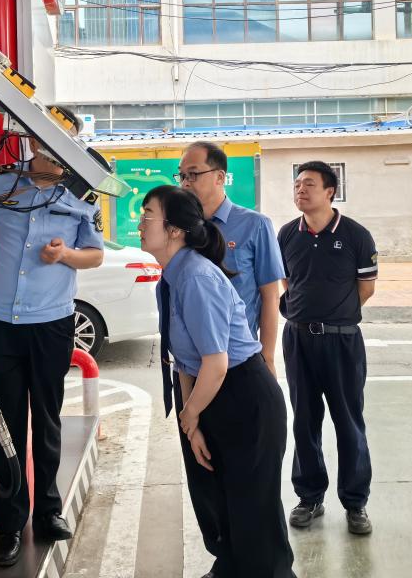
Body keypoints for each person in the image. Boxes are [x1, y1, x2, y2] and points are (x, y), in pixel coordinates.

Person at [139, 185, 296, 578]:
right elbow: (185, 361)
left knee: (253, 513)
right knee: (218, 500)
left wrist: (191, 414)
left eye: (147, 215)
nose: (139, 223)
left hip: (243, 397)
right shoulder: (170, 278)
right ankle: (229, 567)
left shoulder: (196, 276)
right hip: (210, 395)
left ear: (174, 229)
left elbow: (216, 362)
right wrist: (192, 425)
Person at [0, 106, 104, 567]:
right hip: (1, 323)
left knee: (48, 419)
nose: (59, 150)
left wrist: (65, 254)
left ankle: (49, 512)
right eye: (49, 138)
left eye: (67, 141)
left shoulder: (83, 192)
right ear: (31, 140)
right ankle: (9, 525)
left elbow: (95, 255)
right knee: (4, 424)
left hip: (51, 322)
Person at [278, 161, 377, 535]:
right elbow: (287, 281)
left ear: (330, 191)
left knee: (349, 422)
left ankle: (355, 502)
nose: (300, 190)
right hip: (298, 339)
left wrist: (336, 316)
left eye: (309, 184)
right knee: (304, 420)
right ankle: (309, 497)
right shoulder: (288, 234)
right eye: (297, 184)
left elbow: (366, 288)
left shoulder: (355, 235)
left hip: (342, 341)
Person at [177, 141, 284, 375]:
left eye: (193, 174)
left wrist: (267, 358)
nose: (185, 183)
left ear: (220, 177)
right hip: (190, 361)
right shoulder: (179, 229)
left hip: (238, 357)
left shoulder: (255, 225)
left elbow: (270, 296)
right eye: (182, 175)